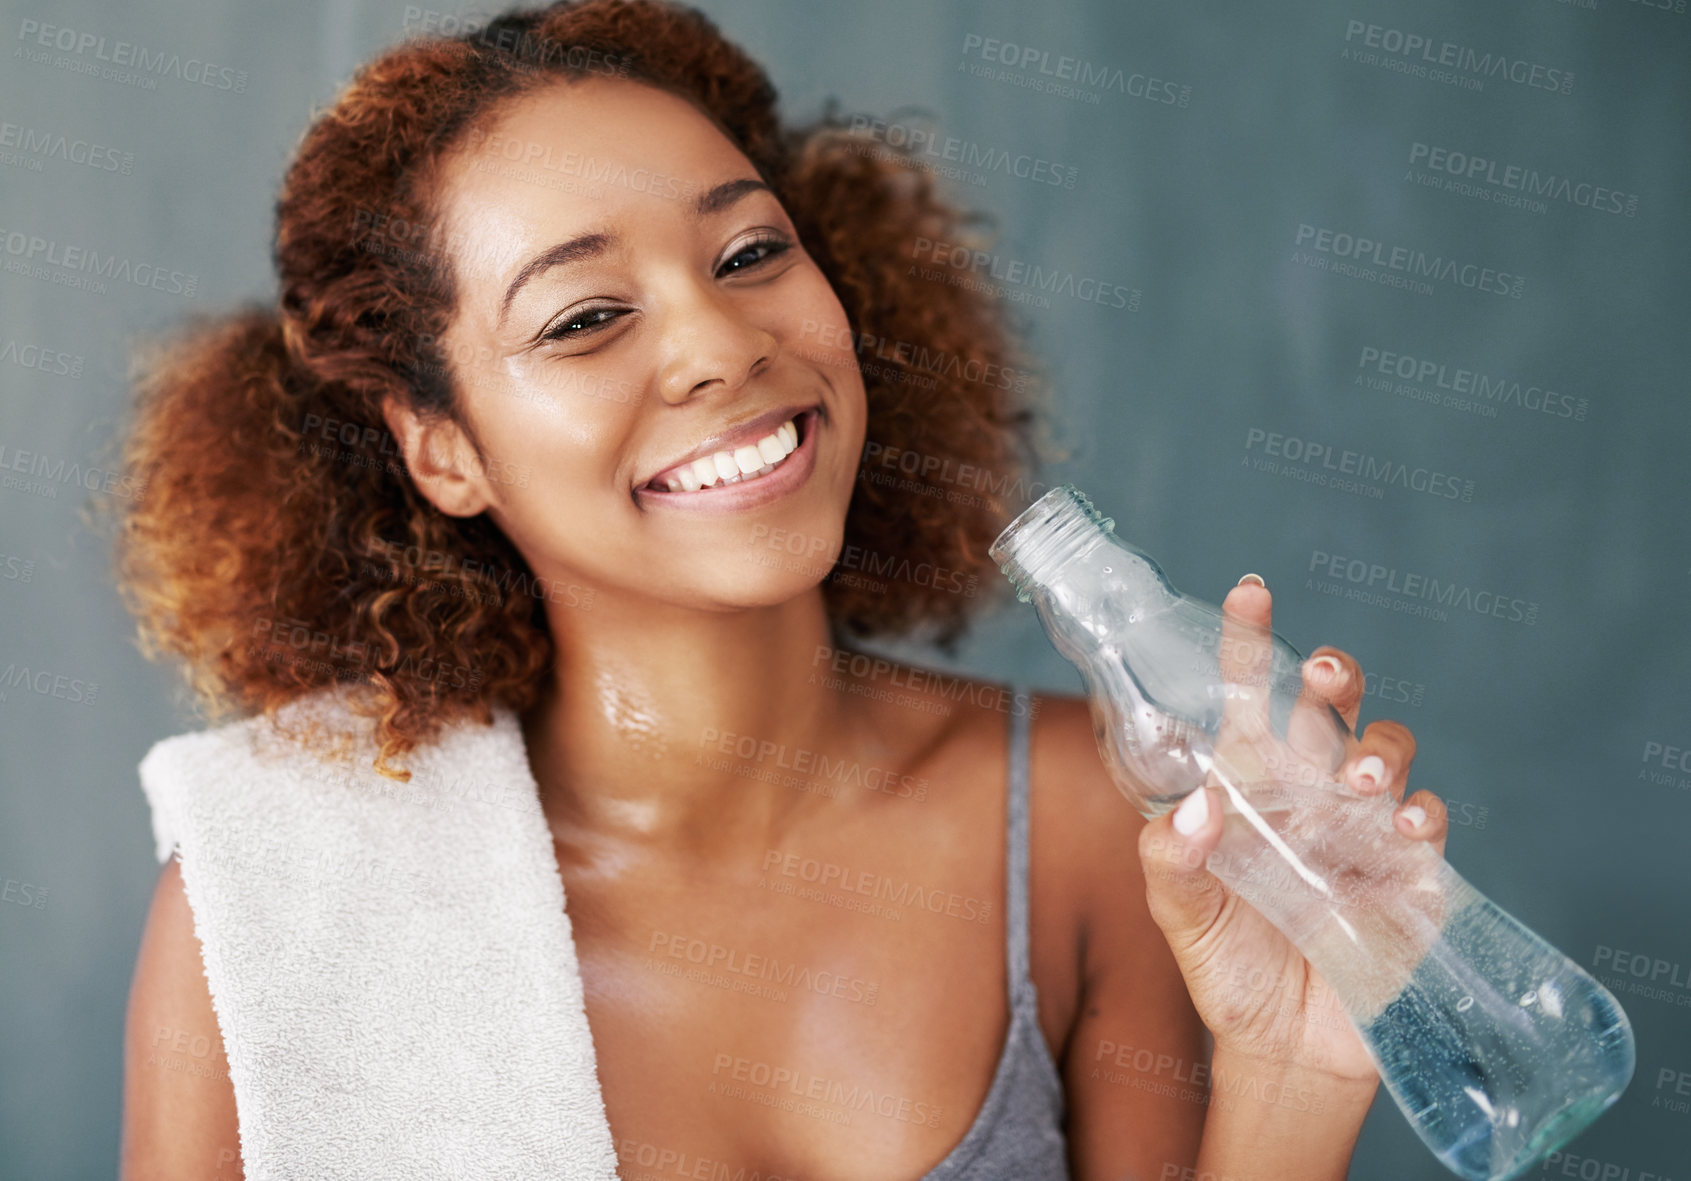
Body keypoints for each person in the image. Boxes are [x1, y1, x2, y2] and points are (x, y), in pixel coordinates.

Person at [111, 1, 1446, 1177]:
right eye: (584, 317)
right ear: (441, 445)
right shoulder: (268, 896)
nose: (718, 342)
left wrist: (1293, 1080)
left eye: (749, 253)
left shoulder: (1101, 835)